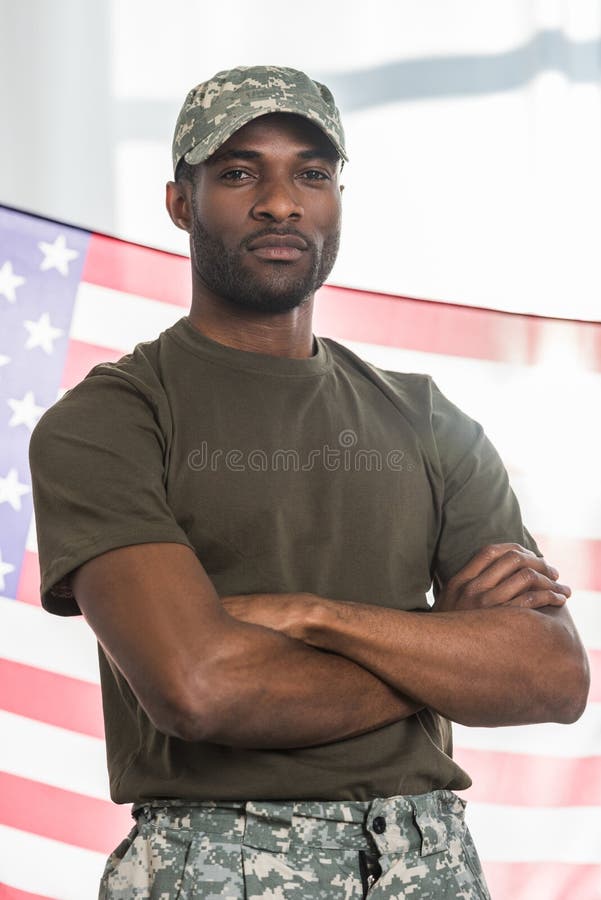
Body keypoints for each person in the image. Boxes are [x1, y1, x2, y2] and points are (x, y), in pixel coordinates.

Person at [29, 65, 589, 899]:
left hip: (429, 863)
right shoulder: (111, 422)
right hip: (219, 864)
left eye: (313, 173)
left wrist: (312, 616)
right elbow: (202, 689)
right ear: (181, 203)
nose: (281, 202)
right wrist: (447, 647)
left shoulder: (429, 420)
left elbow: (551, 677)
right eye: (239, 171)